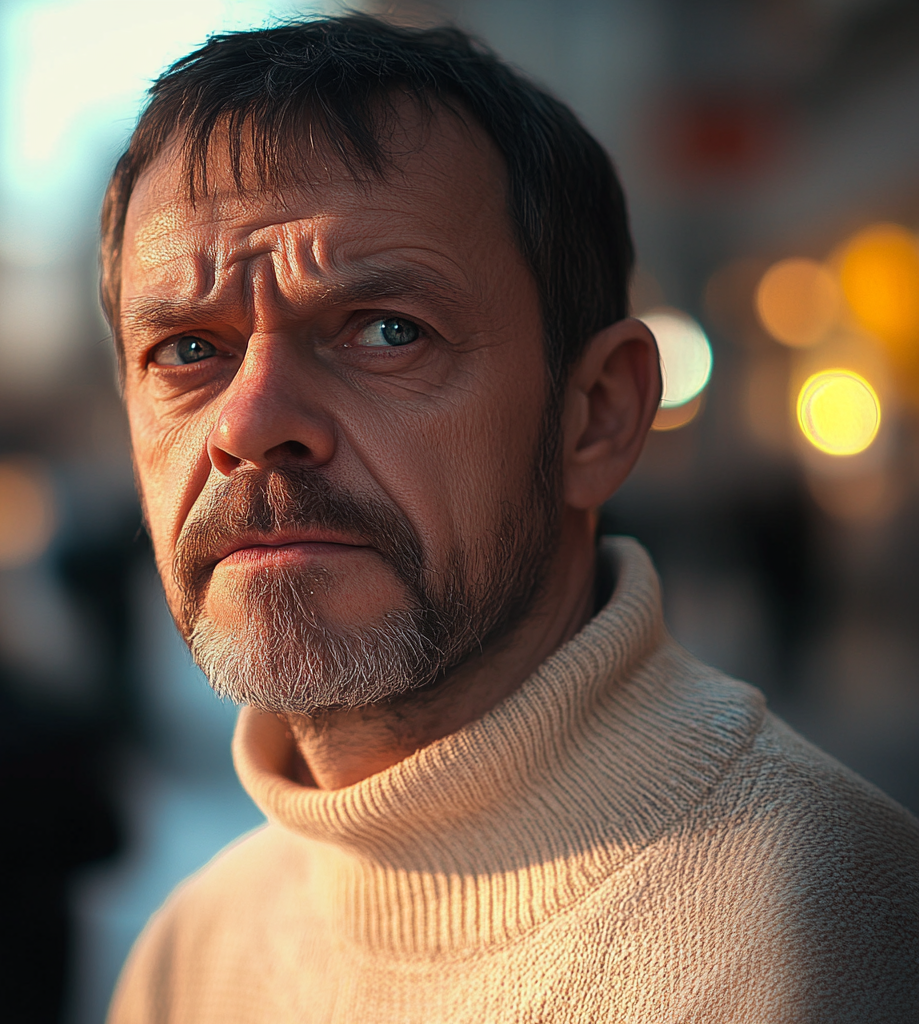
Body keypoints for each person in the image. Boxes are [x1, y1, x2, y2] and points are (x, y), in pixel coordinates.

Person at [103, 15, 918, 1023]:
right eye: (186, 350)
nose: (253, 423)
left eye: (386, 330)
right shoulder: (189, 954)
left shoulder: (832, 931)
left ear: (595, 417)